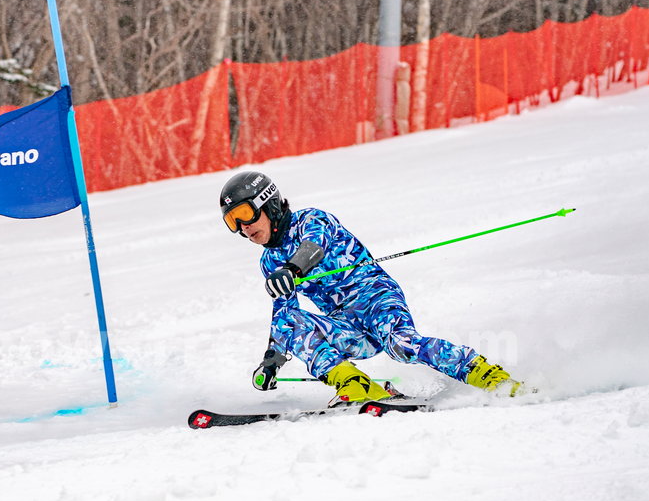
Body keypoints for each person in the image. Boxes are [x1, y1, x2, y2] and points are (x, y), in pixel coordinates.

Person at [218, 170, 525, 405]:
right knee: (289, 322)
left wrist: (293, 269)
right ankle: (356, 385)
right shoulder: (270, 261)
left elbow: (315, 248)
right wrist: (273, 358)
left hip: (375, 297)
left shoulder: (312, 220)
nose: (243, 227)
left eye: (245, 214)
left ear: (269, 205)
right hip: (345, 322)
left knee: (401, 346)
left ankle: (485, 373)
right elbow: (285, 312)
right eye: (233, 222)